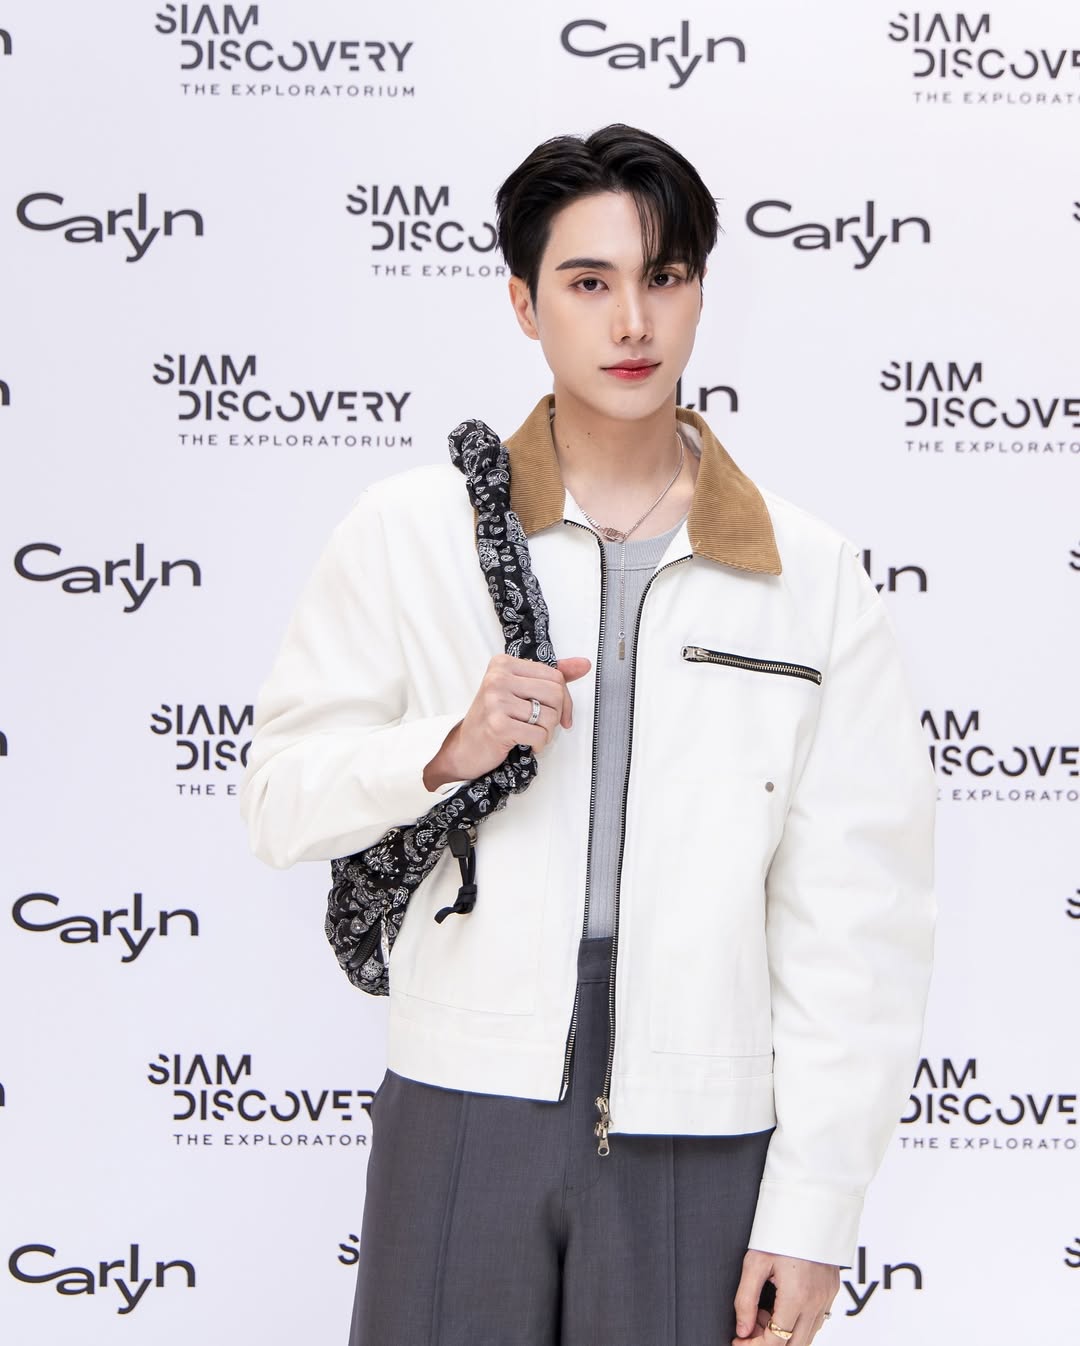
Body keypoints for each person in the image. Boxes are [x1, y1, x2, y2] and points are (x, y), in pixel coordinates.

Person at [240, 124, 936, 1346]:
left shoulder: (811, 575)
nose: (632, 322)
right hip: (462, 1102)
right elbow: (279, 798)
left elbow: (856, 922)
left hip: (700, 1122)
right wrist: (443, 748)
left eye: (663, 277)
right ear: (524, 302)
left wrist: (816, 1205)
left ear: (701, 292)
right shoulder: (411, 531)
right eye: (588, 281)